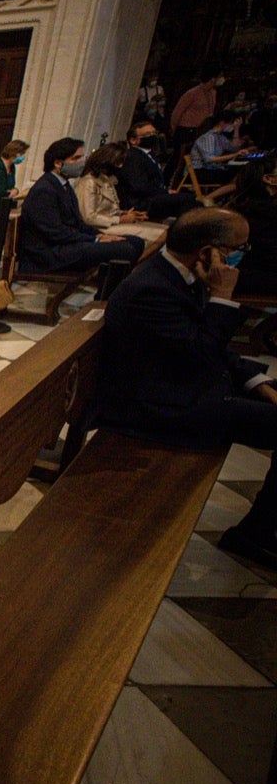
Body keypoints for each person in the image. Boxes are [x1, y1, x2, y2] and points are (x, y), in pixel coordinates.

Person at [93, 208, 277, 567]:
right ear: (208, 252)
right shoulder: (152, 289)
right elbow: (202, 353)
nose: (240, 257)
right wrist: (223, 296)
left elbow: (209, 350)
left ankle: (259, 528)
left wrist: (258, 382)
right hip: (158, 407)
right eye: (237, 249)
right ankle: (254, 533)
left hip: (183, 387)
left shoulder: (179, 276)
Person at [18, 137, 145, 274]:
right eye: (76, 158)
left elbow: (79, 222)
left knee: (135, 242)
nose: (81, 162)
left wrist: (100, 235)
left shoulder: (64, 185)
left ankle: (107, 286)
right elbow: (54, 232)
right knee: (124, 249)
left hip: (65, 244)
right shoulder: (44, 190)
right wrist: (95, 240)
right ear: (58, 163)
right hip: (48, 253)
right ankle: (106, 292)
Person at [73, 142, 165, 242]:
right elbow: (88, 217)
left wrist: (125, 214)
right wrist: (121, 219)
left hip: (113, 222)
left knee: (164, 230)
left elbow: (108, 209)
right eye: (118, 162)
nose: (121, 166)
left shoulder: (106, 179)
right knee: (159, 235)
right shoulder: (89, 182)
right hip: (99, 228)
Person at [119, 120, 199, 220]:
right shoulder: (133, 157)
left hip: (154, 196)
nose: (152, 136)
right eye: (147, 134)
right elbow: (138, 186)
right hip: (142, 201)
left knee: (192, 200)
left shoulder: (150, 154)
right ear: (133, 140)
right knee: (186, 199)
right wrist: (164, 192)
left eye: (154, 133)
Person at [230, 158, 277, 296]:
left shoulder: (252, 205)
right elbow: (270, 255)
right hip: (253, 275)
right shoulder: (259, 212)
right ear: (269, 179)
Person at [190, 111, 253, 190]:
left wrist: (237, 129)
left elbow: (234, 148)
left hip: (212, 169)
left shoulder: (220, 137)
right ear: (222, 123)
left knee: (241, 171)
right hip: (200, 172)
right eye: (231, 124)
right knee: (237, 175)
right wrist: (235, 154)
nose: (232, 126)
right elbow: (209, 159)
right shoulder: (208, 137)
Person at [171, 71, 223, 137]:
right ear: (213, 79)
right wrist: (174, 128)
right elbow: (178, 111)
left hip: (204, 128)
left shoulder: (213, 92)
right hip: (188, 128)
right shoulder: (192, 93)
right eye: (220, 77)